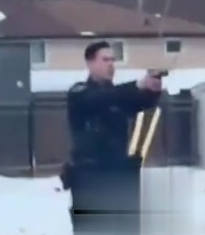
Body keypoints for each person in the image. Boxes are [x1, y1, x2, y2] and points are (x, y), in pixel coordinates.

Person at [62, 41, 162, 235]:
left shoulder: (119, 96)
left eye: (113, 60)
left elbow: (142, 101)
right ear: (90, 63)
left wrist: (153, 87)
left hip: (118, 175)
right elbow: (101, 98)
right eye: (105, 59)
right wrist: (136, 84)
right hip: (89, 177)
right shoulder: (79, 92)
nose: (111, 65)